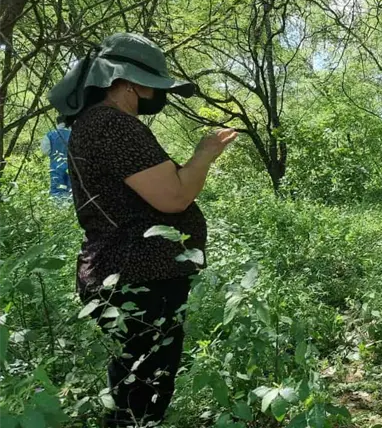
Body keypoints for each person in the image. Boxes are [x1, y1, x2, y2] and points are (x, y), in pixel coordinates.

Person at [48, 33, 237, 427]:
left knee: (133, 383)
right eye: (154, 83)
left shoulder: (96, 124)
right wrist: (204, 155)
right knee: (144, 392)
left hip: (126, 272)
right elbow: (174, 197)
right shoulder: (112, 124)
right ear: (128, 82)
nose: (158, 93)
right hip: (138, 275)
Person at [41, 118, 72, 198]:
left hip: (56, 165)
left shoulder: (50, 134)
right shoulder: (73, 134)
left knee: (57, 189)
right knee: (71, 189)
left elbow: (45, 151)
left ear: (57, 122)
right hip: (72, 165)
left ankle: (59, 204)